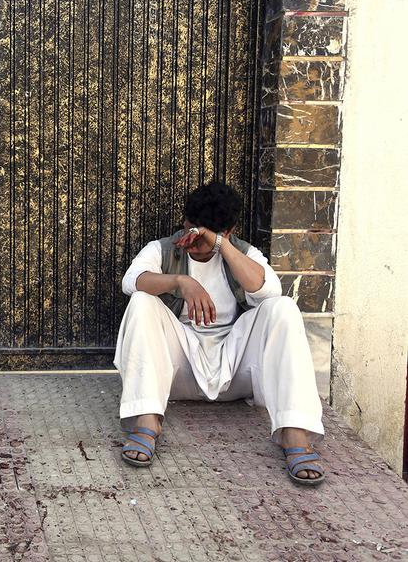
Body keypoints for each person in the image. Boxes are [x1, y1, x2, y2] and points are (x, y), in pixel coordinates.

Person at [114, 182, 326, 486]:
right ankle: (146, 419)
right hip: (179, 372)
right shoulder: (162, 249)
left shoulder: (242, 252)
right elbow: (131, 281)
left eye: (207, 236)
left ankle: (294, 431)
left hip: (235, 371)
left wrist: (221, 246)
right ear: (185, 223)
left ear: (228, 231)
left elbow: (269, 289)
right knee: (141, 301)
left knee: (283, 308)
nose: (197, 242)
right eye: (193, 230)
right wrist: (180, 282)